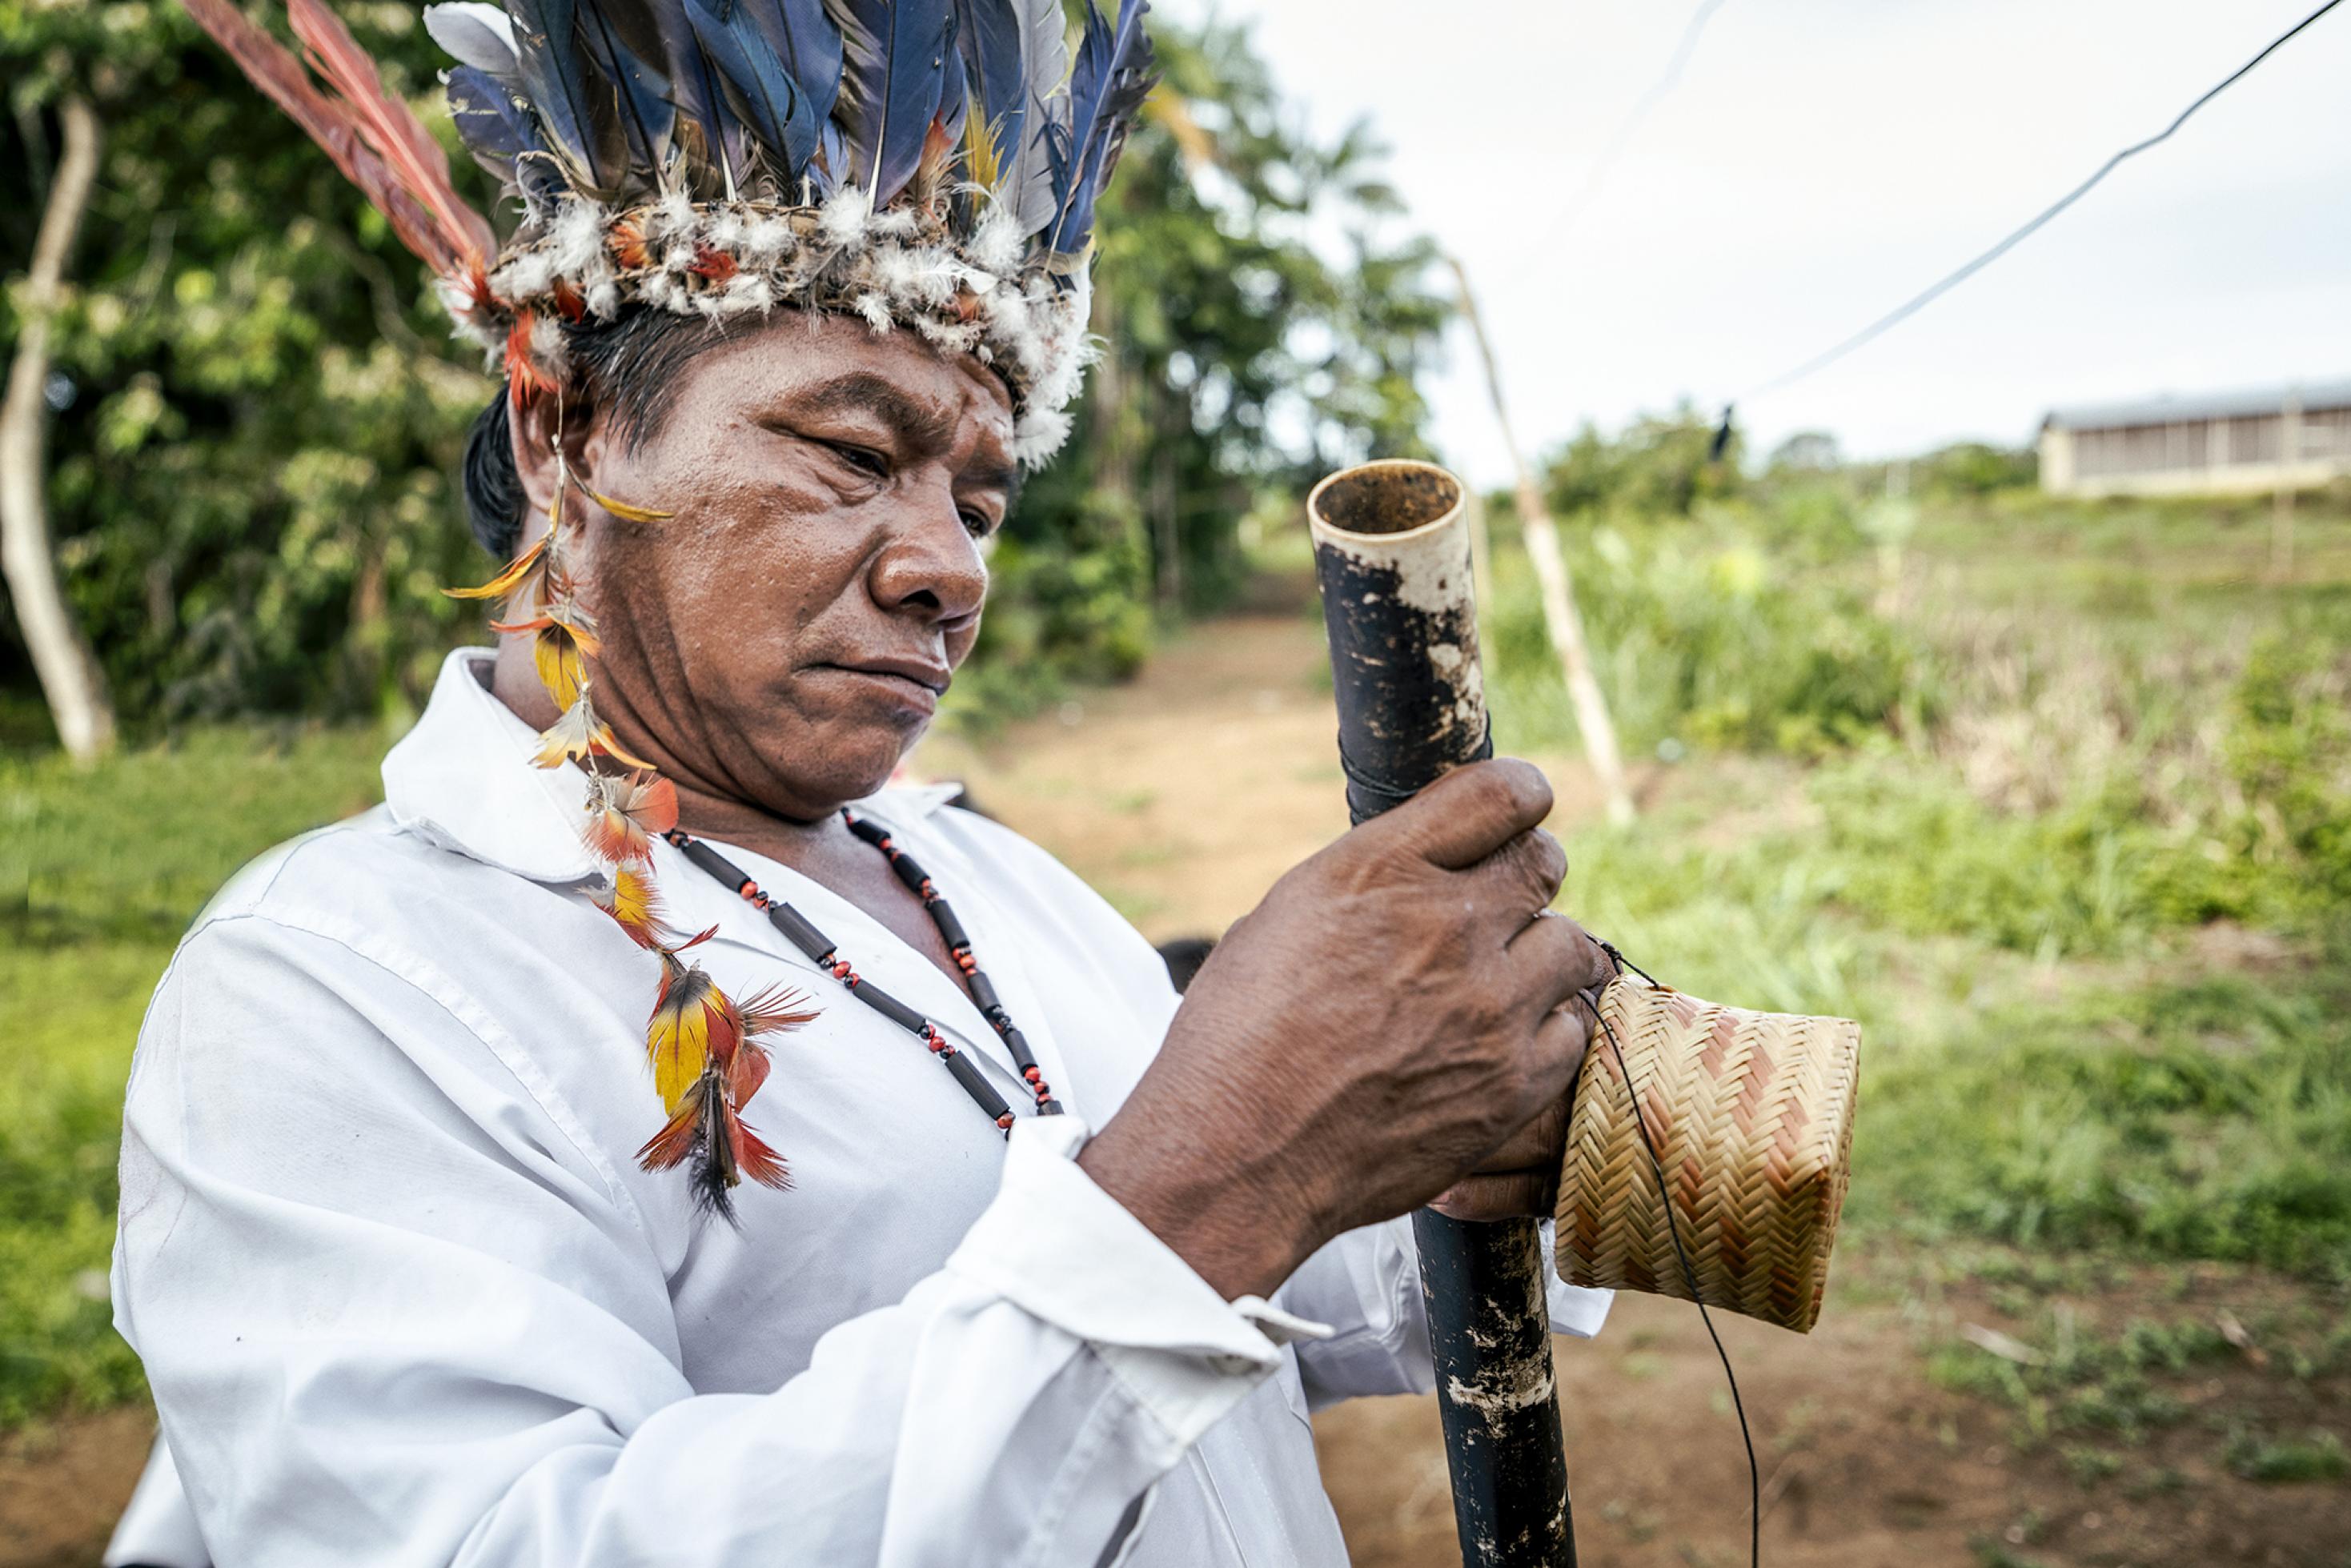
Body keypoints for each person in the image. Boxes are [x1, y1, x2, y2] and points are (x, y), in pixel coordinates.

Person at [110, 3, 1615, 1564]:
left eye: (978, 495)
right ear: (561, 434)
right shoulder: (334, 984)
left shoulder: (989, 879)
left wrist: (1442, 1141)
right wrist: (1215, 1174)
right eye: (848, 453)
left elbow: (1243, 1314)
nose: (947, 568)